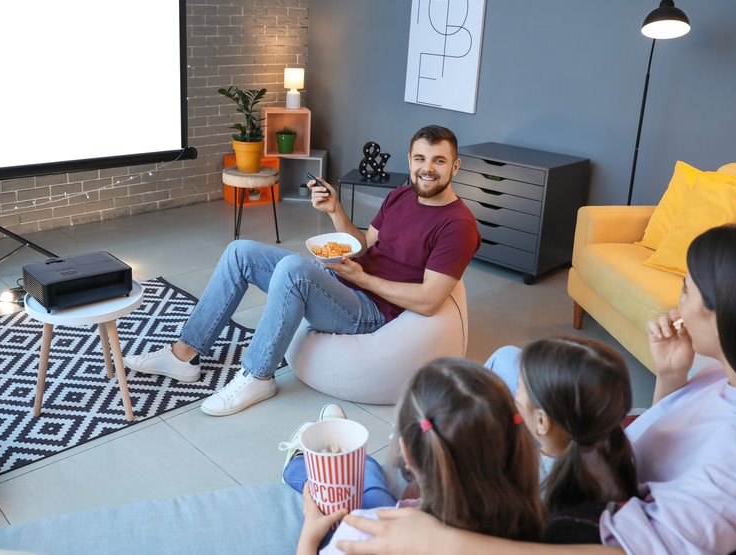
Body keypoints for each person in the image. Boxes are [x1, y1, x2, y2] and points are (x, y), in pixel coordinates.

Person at [334, 222, 736, 554]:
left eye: (687, 290)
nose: (676, 304)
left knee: (375, 478)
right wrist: (671, 377)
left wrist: (446, 544)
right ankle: (419, 453)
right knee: (508, 360)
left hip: (591, 489)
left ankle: (413, 464)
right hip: (608, 455)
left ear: (734, 319)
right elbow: (670, 438)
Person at [123, 125, 480, 416]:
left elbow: (430, 301)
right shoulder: (400, 196)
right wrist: (334, 209)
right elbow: (364, 245)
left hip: (371, 311)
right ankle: (183, 355)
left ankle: (258, 375)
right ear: (410, 159)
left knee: (293, 269)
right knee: (240, 251)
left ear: (455, 166)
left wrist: (362, 278)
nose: (427, 168)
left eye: (438, 160)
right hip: (346, 283)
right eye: (420, 158)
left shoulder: (457, 225)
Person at [297, 357, 549, 555]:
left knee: (366, 476)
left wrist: (309, 536)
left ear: (407, 452)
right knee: (368, 471)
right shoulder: (543, 529)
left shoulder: (360, 533)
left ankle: (298, 460)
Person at [512, 337, 638, 517]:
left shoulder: (529, 478)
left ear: (541, 422)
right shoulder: (613, 451)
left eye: (518, 387)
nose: (515, 393)